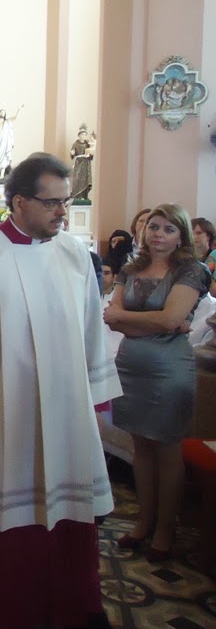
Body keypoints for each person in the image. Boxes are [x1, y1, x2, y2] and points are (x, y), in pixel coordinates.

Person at [0, 152, 122, 629]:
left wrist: (95, 401)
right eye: (52, 202)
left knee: (68, 511)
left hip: (66, 411)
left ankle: (69, 606)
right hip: (5, 409)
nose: (63, 212)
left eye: (66, 201)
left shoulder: (74, 254)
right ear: (19, 202)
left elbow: (91, 330)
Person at [104, 204, 210, 562]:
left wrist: (137, 319)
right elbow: (112, 319)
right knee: (141, 449)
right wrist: (159, 322)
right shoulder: (131, 268)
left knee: (166, 449)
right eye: (153, 226)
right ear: (143, 231)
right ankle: (143, 521)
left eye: (168, 229)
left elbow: (170, 319)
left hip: (168, 371)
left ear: (181, 236)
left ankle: (166, 528)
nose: (158, 234)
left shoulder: (190, 270)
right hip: (131, 367)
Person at [0, 107, 22, 181]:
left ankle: (2, 174)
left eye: (3, 112)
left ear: (5, 115)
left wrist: (18, 109)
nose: (2, 113)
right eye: (1, 111)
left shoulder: (7, 122)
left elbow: (15, 118)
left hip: (5, 144)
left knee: (4, 158)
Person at [70, 125, 93, 200]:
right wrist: (72, 153)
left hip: (86, 164)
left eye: (85, 135)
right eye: (82, 134)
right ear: (79, 135)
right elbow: (73, 153)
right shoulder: (75, 144)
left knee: (85, 179)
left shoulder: (87, 144)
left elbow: (91, 153)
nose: (83, 136)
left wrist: (90, 154)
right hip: (79, 163)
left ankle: (84, 196)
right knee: (77, 179)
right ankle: (77, 196)